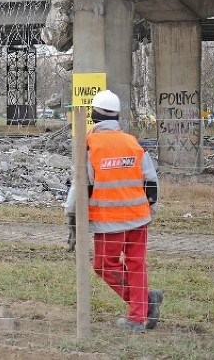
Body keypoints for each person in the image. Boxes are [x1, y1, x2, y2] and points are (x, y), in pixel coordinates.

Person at [64, 89, 162, 332]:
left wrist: (72, 217)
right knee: (136, 265)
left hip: (109, 221)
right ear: (117, 116)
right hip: (139, 218)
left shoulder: (90, 144)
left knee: (104, 266)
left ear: (93, 116)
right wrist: (147, 209)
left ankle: (143, 305)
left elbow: (81, 186)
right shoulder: (133, 142)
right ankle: (140, 314)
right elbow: (151, 183)